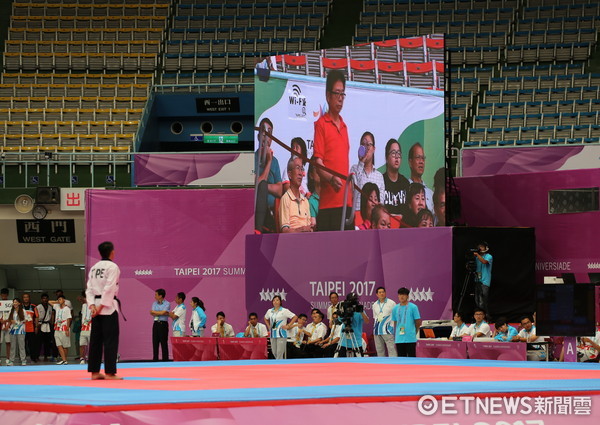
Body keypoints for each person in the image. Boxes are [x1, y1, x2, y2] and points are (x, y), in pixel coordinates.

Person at [313, 70, 353, 231]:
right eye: (337, 93)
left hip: (346, 202)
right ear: (328, 96)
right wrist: (330, 178)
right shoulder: (321, 124)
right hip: (329, 205)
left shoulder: (344, 127)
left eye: (342, 94)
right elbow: (318, 163)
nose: (340, 98)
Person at [85, 241, 122, 380]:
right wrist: (100, 307)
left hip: (95, 306)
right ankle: (110, 372)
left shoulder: (94, 267)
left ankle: (94, 372)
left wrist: (92, 306)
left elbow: (89, 289)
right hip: (108, 307)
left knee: (96, 340)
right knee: (110, 341)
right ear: (112, 252)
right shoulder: (113, 267)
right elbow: (109, 288)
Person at [255, 117, 283, 233]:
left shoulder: (275, 161)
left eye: (269, 133)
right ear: (258, 136)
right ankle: (257, 230)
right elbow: (255, 185)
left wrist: (263, 185)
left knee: (262, 186)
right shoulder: (251, 158)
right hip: (256, 209)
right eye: (264, 132)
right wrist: (268, 162)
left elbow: (280, 190)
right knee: (261, 187)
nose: (266, 137)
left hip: (272, 211)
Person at [350, 131, 385, 213]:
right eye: (363, 144)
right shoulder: (354, 169)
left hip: (374, 218)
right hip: (356, 215)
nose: (366, 148)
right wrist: (361, 163)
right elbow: (352, 192)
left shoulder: (379, 176)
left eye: (369, 144)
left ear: (374, 149)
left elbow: (381, 203)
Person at [279, 157, 313, 233]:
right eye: (297, 168)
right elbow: (284, 231)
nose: (301, 173)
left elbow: (309, 227)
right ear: (290, 174)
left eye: (302, 169)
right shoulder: (285, 199)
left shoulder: (305, 201)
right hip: (292, 241)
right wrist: (301, 230)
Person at [382, 139, 410, 219]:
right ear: (386, 158)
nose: (397, 157)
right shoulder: (381, 181)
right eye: (393, 153)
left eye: (398, 153)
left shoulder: (405, 183)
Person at [264, 295, 297, 359]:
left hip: (281, 334)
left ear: (280, 302)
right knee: (274, 352)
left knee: (279, 352)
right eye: (274, 300)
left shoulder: (284, 311)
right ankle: (280, 363)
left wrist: (288, 325)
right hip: (273, 334)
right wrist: (269, 326)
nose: (275, 302)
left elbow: (295, 317)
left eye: (277, 300)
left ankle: (279, 366)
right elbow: (265, 318)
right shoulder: (269, 311)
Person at [392, 287, 422, 357]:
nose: (401, 296)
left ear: (407, 296)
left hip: (410, 338)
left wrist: (415, 331)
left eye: (404, 295)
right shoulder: (395, 308)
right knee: (401, 360)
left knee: (411, 359)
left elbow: (418, 321)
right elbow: (395, 322)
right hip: (399, 338)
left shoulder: (413, 307)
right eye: (400, 294)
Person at [337, 293, 369, 357]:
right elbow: (340, 320)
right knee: (341, 362)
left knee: (359, 362)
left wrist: (361, 312)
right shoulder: (344, 309)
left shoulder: (359, 310)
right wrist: (342, 312)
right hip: (344, 341)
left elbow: (367, 321)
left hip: (356, 341)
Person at [407, 142, 434, 212]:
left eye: (423, 158)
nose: (421, 161)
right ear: (410, 162)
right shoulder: (405, 189)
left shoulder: (431, 194)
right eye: (418, 158)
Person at [372, 287, 397, 357]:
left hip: (388, 330)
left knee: (392, 350)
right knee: (379, 351)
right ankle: (381, 366)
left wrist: (393, 327)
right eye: (380, 292)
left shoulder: (392, 303)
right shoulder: (374, 305)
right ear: (377, 294)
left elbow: (396, 317)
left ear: (385, 293)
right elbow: (375, 318)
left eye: (383, 292)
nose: (382, 293)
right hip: (377, 331)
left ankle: (394, 365)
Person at [150, 288, 170, 361]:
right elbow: (151, 312)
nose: (155, 296)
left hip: (163, 324)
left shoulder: (167, 303)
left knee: (163, 343)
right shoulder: (154, 303)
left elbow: (163, 312)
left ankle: (165, 360)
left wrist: (157, 312)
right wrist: (161, 312)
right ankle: (155, 360)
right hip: (155, 324)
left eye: (156, 294)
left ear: (161, 296)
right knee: (155, 342)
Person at [474, 242, 493, 314]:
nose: (480, 248)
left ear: (486, 248)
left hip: (485, 281)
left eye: (482, 246)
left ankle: (486, 316)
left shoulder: (489, 256)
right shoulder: (476, 257)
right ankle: (479, 315)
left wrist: (477, 255)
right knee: (477, 300)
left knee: (483, 300)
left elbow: (484, 262)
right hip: (477, 280)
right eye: (479, 246)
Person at [35, 293, 54, 361]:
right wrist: (36, 326)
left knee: (47, 342)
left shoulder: (50, 307)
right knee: (38, 342)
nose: (45, 300)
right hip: (40, 324)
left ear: (48, 299)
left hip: (47, 325)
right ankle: (37, 356)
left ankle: (46, 356)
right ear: (41, 299)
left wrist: (52, 324)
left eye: (46, 298)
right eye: (43, 298)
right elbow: (36, 317)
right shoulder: (38, 307)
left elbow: (51, 316)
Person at [7, 298, 26, 366]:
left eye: (16, 302)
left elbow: (26, 319)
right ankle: (11, 360)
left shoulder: (23, 311)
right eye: (14, 302)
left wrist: (20, 322)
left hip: (21, 330)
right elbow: (9, 320)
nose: (15, 303)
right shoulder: (11, 311)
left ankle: (23, 360)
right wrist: (11, 321)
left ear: (19, 303)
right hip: (13, 330)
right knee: (13, 346)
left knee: (21, 346)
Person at [54, 295, 71, 365]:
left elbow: (69, 319)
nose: (59, 300)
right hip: (57, 327)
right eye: (58, 299)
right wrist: (57, 302)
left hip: (64, 328)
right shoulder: (57, 307)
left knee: (65, 346)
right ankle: (64, 360)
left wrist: (67, 329)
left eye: (60, 299)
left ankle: (65, 360)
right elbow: (49, 302)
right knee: (59, 345)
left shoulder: (67, 308)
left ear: (64, 300)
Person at [21, 293, 38, 363]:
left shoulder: (33, 306)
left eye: (27, 297)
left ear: (29, 298)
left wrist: (36, 327)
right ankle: (23, 358)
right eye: (24, 297)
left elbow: (36, 317)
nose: (26, 298)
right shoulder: (20, 306)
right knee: (22, 344)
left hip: (31, 328)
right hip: (22, 329)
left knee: (32, 344)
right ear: (23, 298)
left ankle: (33, 358)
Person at [307, 156, 321, 229]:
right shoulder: (311, 202)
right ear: (311, 175)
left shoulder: (331, 197)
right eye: (316, 168)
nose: (320, 171)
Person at [78, 291, 92, 364]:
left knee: (92, 345)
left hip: (91, 328)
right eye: (84, 297)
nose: (85, 299)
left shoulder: (94, 305)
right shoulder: (83, 306)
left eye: (86, 297)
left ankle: (92, 357)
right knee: (82, 344)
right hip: (83, 328)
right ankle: (82, 358)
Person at [0, 288, 11, 365]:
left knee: (8, 342)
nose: (3, 297)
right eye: (2, 295)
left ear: (7, 295)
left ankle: (8, 358)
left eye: (5, 295)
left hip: (8, 326)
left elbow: (13, 315)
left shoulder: (10, 303)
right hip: (0, 325)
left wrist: (8, 324)